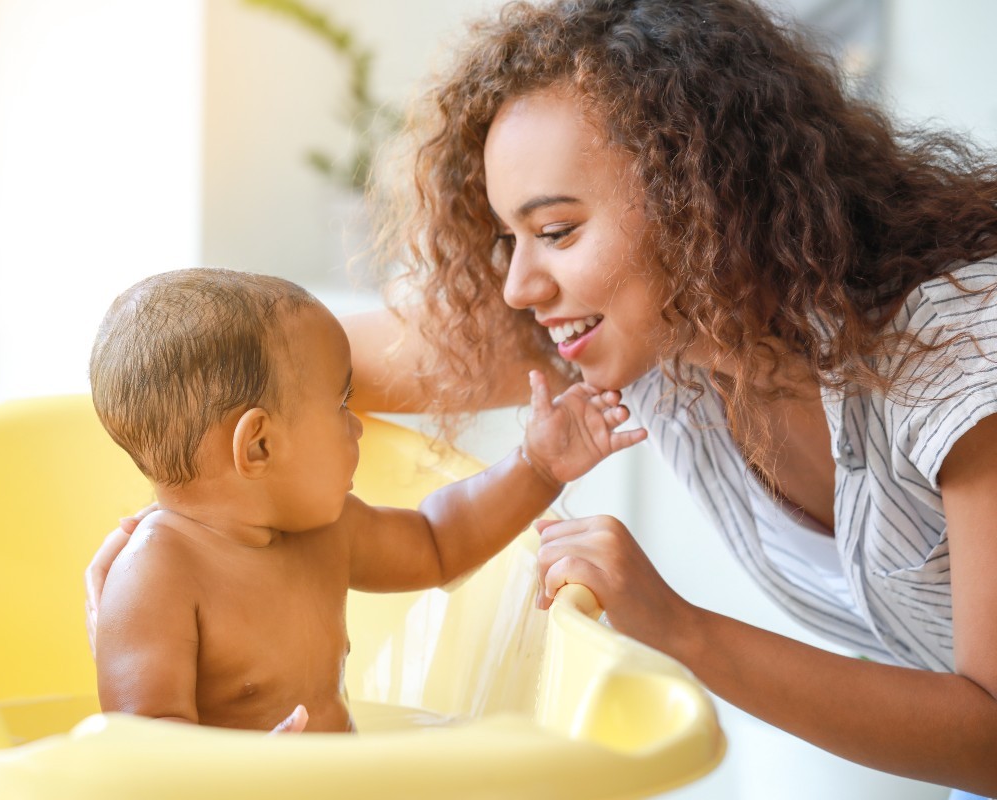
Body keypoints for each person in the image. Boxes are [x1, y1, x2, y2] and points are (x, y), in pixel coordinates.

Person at [86, 1, 996, 794]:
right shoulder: (664, 336)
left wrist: (682, 631)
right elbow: (263, 369)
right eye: (508, 239)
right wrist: (183, 528)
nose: (519, 285)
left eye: (556, 230)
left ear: (704, 200)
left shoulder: (958, 360)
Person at [87, 267, 645, 734]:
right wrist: (244, 774)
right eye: (342, 404)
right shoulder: (156, 579)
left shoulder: (326, 531)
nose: (357, 428)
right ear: (258, 445)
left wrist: (538, 466)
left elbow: (438, 542)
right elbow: (142, 753)